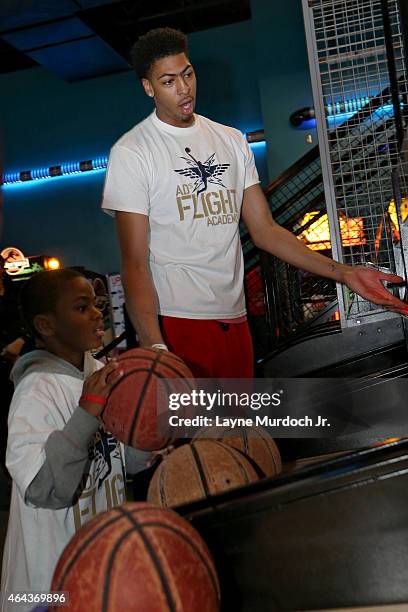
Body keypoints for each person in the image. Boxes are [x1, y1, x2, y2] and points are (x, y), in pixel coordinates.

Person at [102, 27, 408, 378]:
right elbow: (135, 264)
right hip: (177, 320)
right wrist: (155, 347)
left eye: (187, 74)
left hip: (236, 318)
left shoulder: (231, 140)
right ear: (148, 87)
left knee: (239, 431)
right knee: (199, 433)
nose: (184, 88)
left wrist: (345, 272)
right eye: (168, 81)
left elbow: (265, 231)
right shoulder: (132, 152)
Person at [0, 269, 151, 612]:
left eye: (96, 305)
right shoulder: (35, 390)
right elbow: (44, 489)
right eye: (82, 308)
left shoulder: (98, 372)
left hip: (93, 576)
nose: (98, 312)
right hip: (45, 590)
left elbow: (125, 460)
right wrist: (87, 413)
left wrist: (149, 431)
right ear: (46, 325)